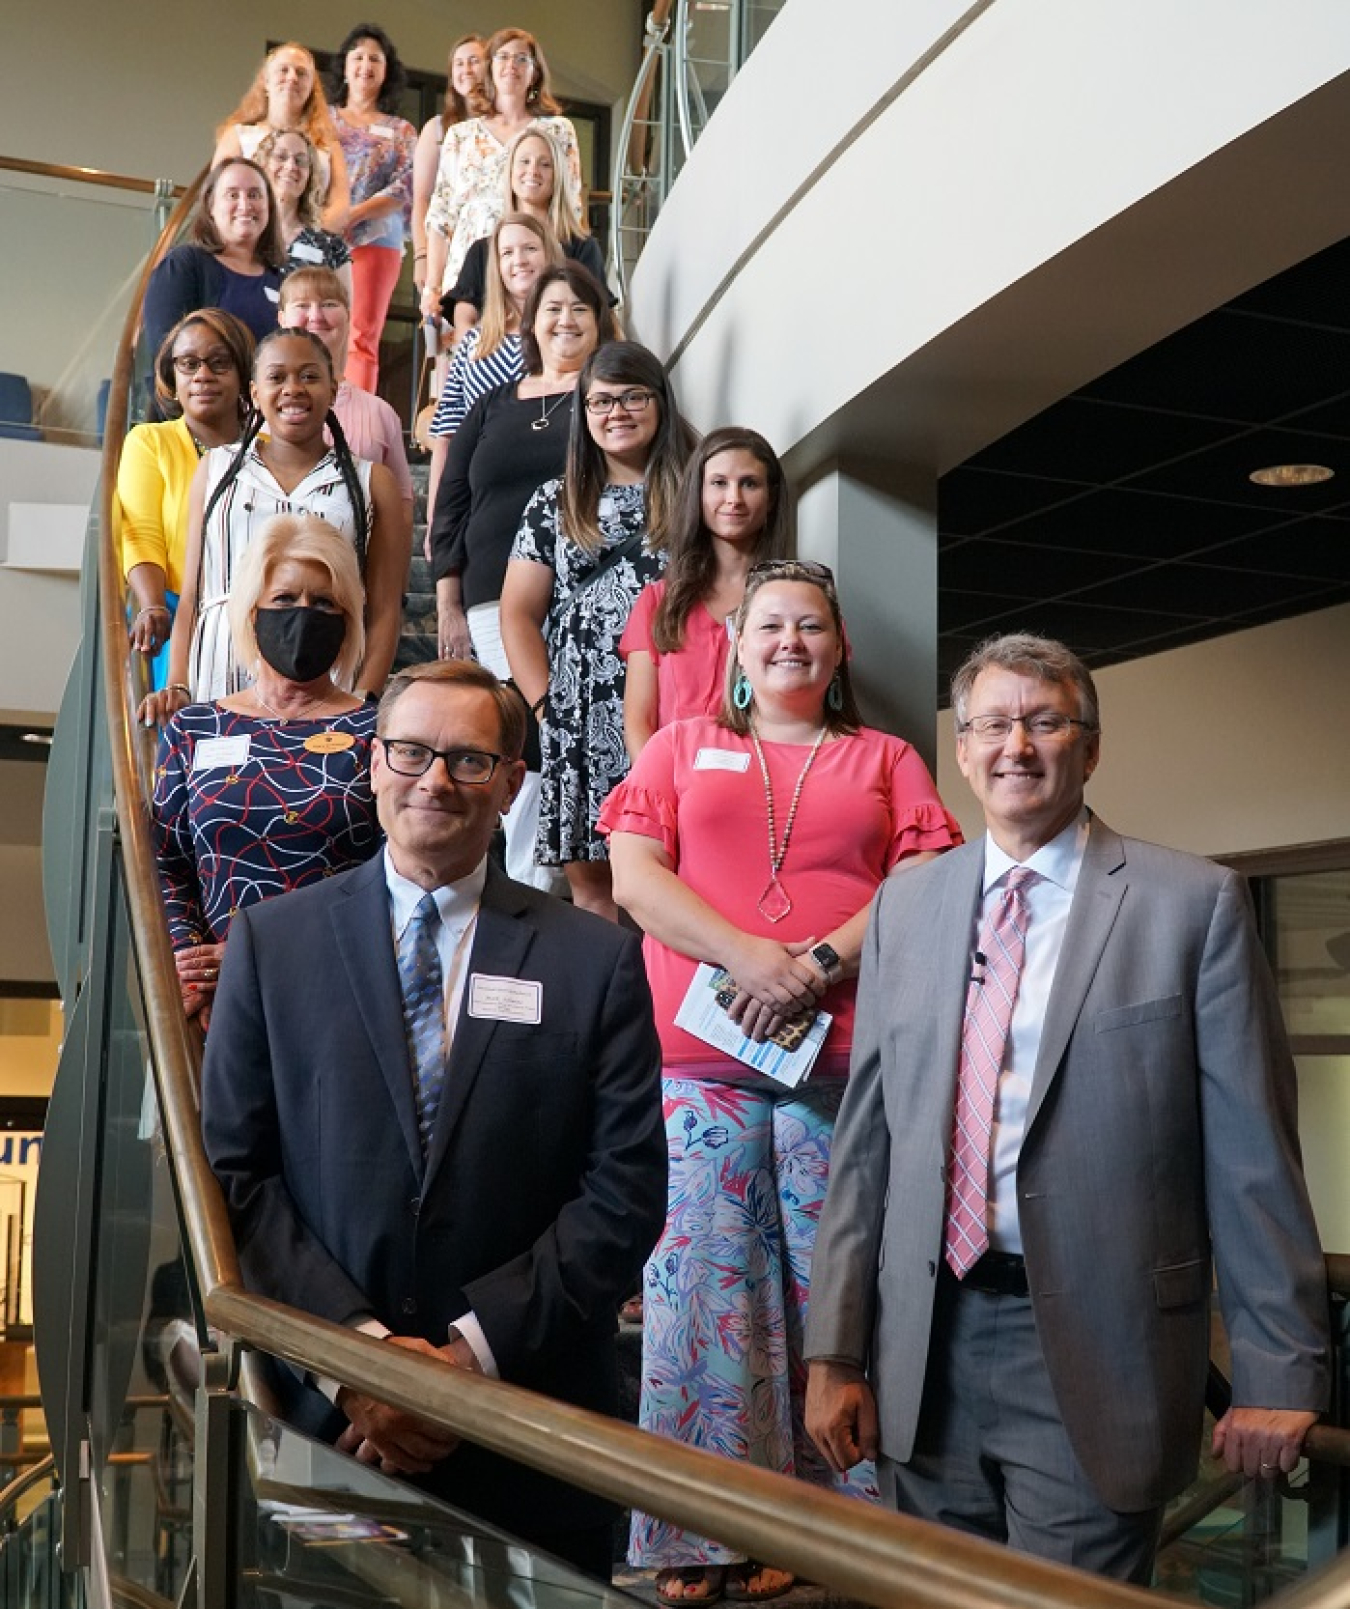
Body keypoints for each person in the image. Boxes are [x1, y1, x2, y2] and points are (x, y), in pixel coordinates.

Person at [804, 631, 1330, 1585]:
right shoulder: (904, 907)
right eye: (992, 724)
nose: (1018, 745)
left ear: (1090, 747)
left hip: (1100, 1350)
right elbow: (866, 1145)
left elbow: (1252, 1154)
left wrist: (1279, 1369)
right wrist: (836, 1348)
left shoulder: (1191, 905)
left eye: (1046, 721)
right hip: (925, 1343)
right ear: (960, 751)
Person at [200, 658, 668, 1578]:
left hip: (532, 1435)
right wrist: (363, 1368)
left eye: (467, 759)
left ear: (511, 783)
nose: (435, 779)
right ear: (372, 764)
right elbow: (237, 1177)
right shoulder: (270, 944)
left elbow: (624, 1190)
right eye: (410, 751)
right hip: (328, 1440)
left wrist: (464, 1362)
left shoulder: (596, 959)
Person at [602, 560, 962, 1603]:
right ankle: (697, 1533)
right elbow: (633, 876)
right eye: (770, 625)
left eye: (811, 626)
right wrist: (749, 960)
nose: (790, 641)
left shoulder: (886, 758)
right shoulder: (680, 745)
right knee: (697, 1302)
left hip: (840, 1065)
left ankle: (832, 1535)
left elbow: (925, 881)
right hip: (698, 1066)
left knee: (833, 1300)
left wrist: (815, 967)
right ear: (737, 645)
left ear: (839, 648)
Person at [430, 263, 618, 889]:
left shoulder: (606, 401)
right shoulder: (493, 404)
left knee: (550, 733)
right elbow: (453, 499)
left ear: (600, 324)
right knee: (517, 733)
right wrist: (447, 596)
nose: (565, 320)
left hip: (578, 599)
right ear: (531, 323)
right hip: (491, 601)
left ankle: (546, 885)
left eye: (579, 310)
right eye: (553, 308)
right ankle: (530, 880)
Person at [151, 515, 380, 1030]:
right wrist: (193, 967)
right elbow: (166, 861)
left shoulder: (379, 730)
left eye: (324, 603)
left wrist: (257, 952)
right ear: (252, 612)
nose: (304, 615)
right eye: (284, 600)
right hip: (216, 1002)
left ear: (347, 619)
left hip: (337, 988)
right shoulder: (195, 729)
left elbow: (393, 872)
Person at [500, 341, 695, 920]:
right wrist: (543, 707)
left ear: (660, 402)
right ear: (583, 414)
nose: (617, 412)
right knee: (594, 891)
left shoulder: (696, 492)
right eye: (600, 401)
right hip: (578, 712)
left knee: (682, 876)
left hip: (673, 710)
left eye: (633, 396)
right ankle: (606, 1010)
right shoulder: (554, 501)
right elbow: (517, 612)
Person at [143, 328, 406, 721]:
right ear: (253, 392)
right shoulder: (215, 469)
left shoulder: (372, 482)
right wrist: (177, 683)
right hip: (219, 669)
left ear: (334, 390)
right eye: (277, 377)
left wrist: (363, 699)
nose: (293, 388)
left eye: (309, 376)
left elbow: (385, 609)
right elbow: (194, 593)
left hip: (325, 680)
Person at [622, 428, 793, 761]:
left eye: (749, 483)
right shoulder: (659, 601)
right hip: (676, 791)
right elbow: (638, 721)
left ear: (771, 498)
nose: (734, 498)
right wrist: (659, 792)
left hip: (769, 788)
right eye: (719, 483)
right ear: (697, 494)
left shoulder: (799, 602)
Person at [117, 310, 253, 688]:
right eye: (189, 364)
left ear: (243, 375)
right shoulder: (149, 441)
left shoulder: (271, 450)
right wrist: (151, 604)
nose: (203, 375)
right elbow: (141, 533)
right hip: (175, 616)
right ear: (172, 377)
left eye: (219, 363)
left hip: (259, 622)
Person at [421, 27, 582, 317]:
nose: (512, 66)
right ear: (489, 68)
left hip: (533, 265)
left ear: (535, 72)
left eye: (522, 59)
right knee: (466, 354)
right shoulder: (461, 135)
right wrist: (432, 286)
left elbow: (572, 205)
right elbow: (441, 214)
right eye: (503, 57)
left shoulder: (558, 130)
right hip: (469, 268)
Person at [423, 212, 560, 527]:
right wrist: (436, 519)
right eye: (507, 253)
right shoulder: (472, 344)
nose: (519, 260)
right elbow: (446, 438)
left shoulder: (567, 336)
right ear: (496, 267)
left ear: (549, 254)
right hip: (481, 505)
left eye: (530, 249)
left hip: (550, 505)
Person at [277, 268, 415, 545]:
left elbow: (402, 509)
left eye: (329, 304)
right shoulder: (262, 410)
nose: (315, 316)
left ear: (349, 315)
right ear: (281, 318)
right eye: (302, 305)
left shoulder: (380, 413)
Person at [444, 126, 608, 343]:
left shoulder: (581, 247)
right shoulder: (483, 249)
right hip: (493, 359)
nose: (533, 171)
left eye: (545, 164)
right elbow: (465, 314)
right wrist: (473, 359)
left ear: (557, 176)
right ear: (510, 172)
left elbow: (598, 314)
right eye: (524, 161)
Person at [327, 25, 418, 392]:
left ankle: (354, 430)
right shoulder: (321, 119)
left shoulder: (401, 130)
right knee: (309, 326)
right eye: (358, 57)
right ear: (345, 67)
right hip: (321, 236)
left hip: (377, 240)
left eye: (375, 59)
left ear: (386, 72)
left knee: (362, 336)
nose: (365, 65)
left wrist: (356, 213)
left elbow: (406, 185)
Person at [142, 160, 284, 361]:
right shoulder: (183, 265)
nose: (245, 205)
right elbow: (165, 357)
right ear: (210, 206)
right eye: (233, 195)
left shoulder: (281, 277)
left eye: (254, 195)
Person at [214, 42, 350, 231]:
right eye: (283, 70)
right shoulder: (238, 136)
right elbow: (218, 196)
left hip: (308, 248)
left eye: (301, 73)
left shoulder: (328, 143)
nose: (292, 78)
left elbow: (340, 206)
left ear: (311, 87)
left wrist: (302, 239)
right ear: (266, 82)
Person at [412, 35, 487, 303]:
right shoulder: (437, 128)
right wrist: (422, 255)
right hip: (446, 244)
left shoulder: (502, 126)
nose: (466, 69)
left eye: (474, 61)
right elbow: (422, 197)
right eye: (459, 63)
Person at [256, 128, 352, 293]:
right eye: (281, 157)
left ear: (310, 175)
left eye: (300, 161)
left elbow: (344, 314)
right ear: (263, 165)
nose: (291, 166)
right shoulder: (244, 235)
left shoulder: (332, 247)